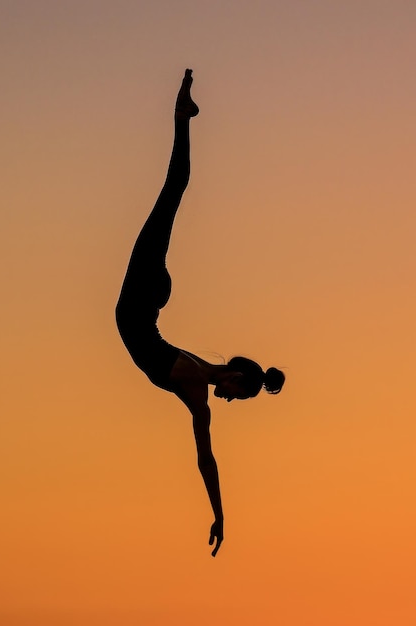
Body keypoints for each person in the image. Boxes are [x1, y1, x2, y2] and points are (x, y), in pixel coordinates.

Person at [116, 69, 285, 557]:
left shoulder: (195, 377)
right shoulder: (192, 379)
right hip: (136, 300)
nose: (231, 400)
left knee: (175, 192)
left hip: (144, 300)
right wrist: (220, 513)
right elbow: (204, 458)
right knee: (176, 186)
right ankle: (181, 113)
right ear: (234, 373)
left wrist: (219, 512)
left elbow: (206, 459)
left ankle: (182, 114)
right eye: (239, 391)